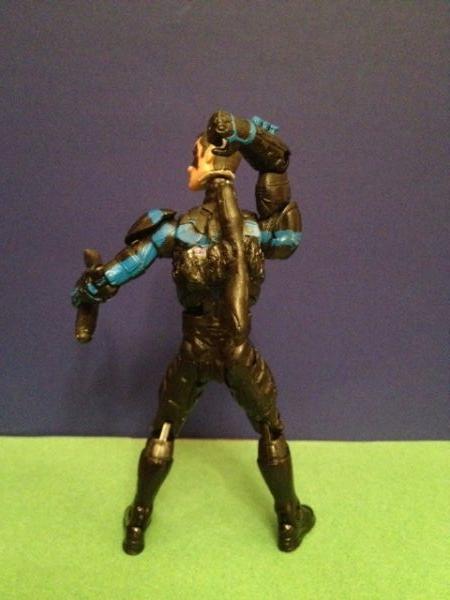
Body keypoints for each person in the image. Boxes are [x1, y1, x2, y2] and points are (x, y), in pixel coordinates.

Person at [71, 111, 315, 554]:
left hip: (195, 347)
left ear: (208, 164)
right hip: (238, 351)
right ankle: (288, 518)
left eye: (195, 158)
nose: (188, 167)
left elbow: (119, 271)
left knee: (164, 429)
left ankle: (138, 520)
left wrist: (89, 288)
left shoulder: (176, 230)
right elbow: (287, 231)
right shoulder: (256, 232)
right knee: (270, 431)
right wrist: (250, 136)